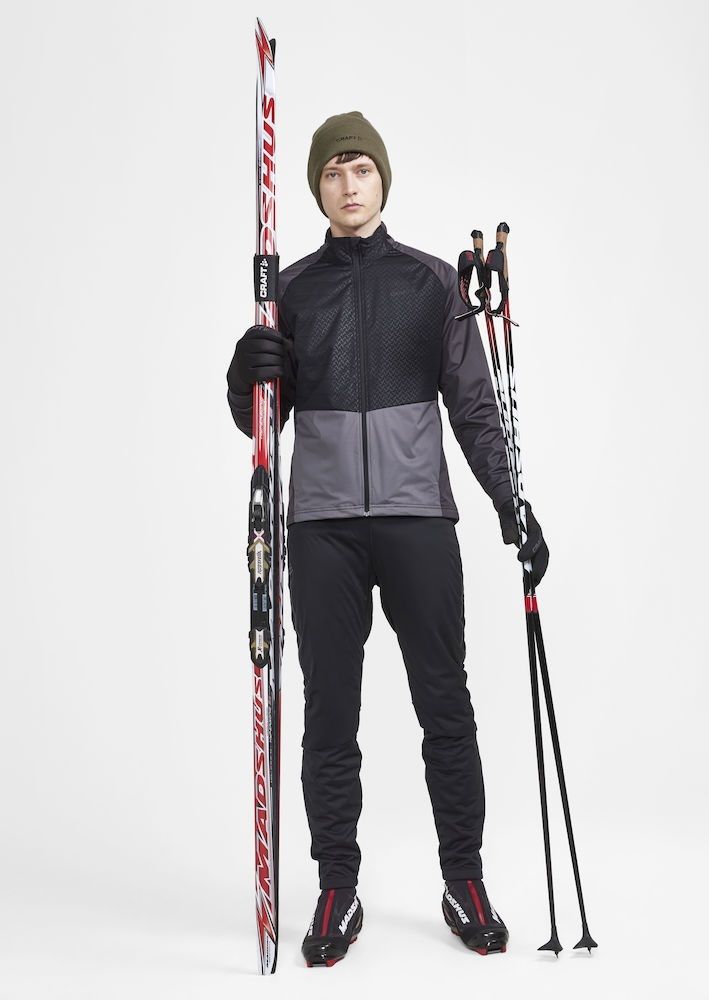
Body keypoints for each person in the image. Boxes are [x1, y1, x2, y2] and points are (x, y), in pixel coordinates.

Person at [226, 111, 549, 967]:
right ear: (316, 188)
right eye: (333, 172)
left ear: (382, 179)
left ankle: (464, 878)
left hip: (417, 522)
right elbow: (260, 425)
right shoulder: (290, 293)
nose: (349, 184)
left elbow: (473, 407)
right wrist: (243, 374)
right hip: (322, 527)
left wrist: (510, 501)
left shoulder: (432, 282)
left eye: (361, 168)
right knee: (330, 715)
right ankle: (338, 886)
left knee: (446, 704)